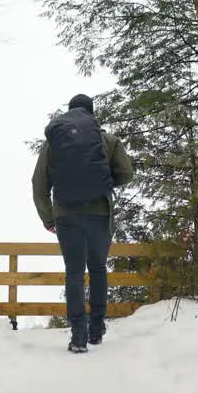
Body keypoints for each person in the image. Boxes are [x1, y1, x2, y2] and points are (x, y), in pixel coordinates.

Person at [32, 94, 134, 353]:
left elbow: (39, 184)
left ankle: (78, 336)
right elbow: (127, 174)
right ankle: (97, 330)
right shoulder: (106, 140)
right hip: (100, 214)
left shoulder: (54, 143)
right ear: (91, 113)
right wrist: (105, 182)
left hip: (66, 216)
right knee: (98, 269)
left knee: (74, 273)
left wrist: (48, 218)